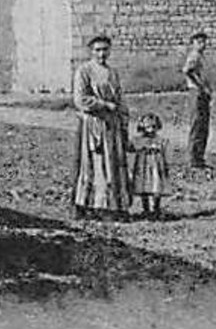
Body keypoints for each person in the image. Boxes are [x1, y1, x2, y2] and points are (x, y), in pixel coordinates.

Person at [72, 34, 132, 219]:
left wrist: (123, 120)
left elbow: (120, 99)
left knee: (113, 164)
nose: (101, 54)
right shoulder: (84, 71)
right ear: (91, 51)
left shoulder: (112, 73)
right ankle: (91, 205)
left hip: (111, 124)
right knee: (95, 164)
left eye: (105, 49)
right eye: (97, 50)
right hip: (94, 124)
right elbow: (80, 99)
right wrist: (103, 105)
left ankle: (113, 205)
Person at [130, 112, 170, 219]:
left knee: (156, 185)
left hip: (155, 165)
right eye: (148, 127)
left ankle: (156, 207)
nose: (151, 130)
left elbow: (163, 149)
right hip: (143, 166)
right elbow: (133, 147)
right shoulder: (138, 140)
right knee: (143, 185)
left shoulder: (160, 140)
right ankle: (146, 208)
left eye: (153, 127)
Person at [183, 31, 212, 168]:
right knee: (197, 123)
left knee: (203, 124)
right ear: (193, 43)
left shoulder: (201, 56)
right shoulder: (194, 56)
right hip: (196, 92)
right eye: (199, 42)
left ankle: (199, 157)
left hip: (202, 92)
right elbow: (187, 71)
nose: (202, 45)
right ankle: (193, 158)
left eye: (204, 42)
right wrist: (200, 86)